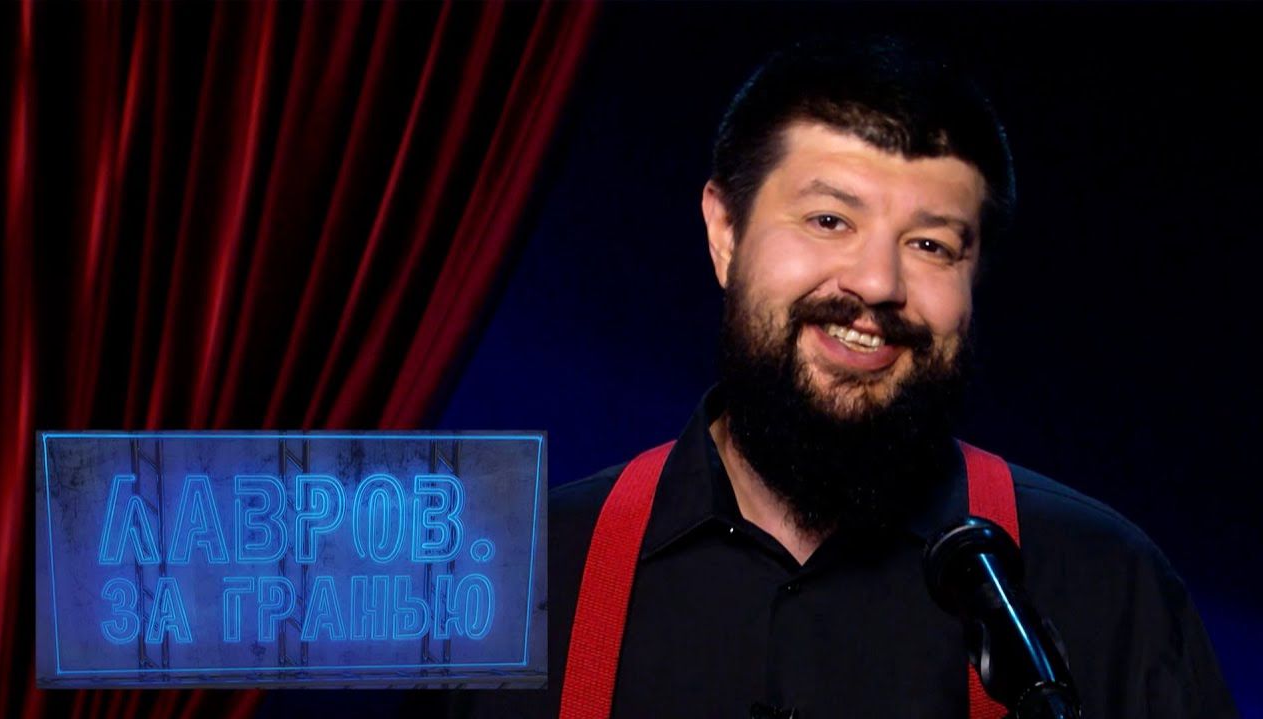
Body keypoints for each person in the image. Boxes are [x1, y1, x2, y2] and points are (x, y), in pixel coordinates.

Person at [460, 36, 1238, 719]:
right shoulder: (518, 576)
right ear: (725, 233)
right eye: (829, 220)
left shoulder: (1109, 585)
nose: (876, 283)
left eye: (931, 245)